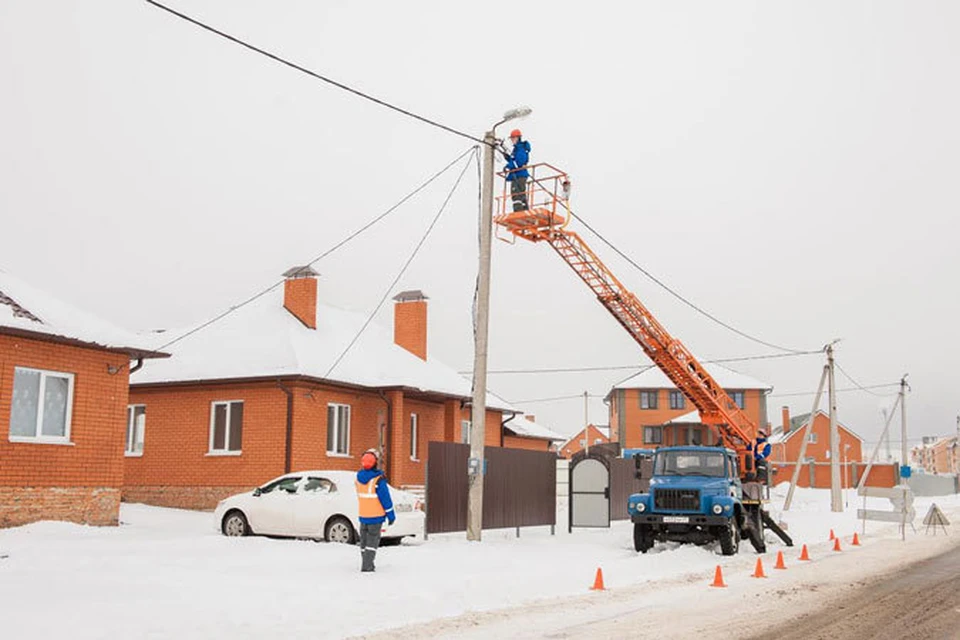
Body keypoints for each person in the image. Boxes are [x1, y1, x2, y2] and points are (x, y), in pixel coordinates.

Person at [355, 448, 395, 573]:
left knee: (364, 541)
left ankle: (366, 562)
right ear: (375, 463)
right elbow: (385, 498)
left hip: (363, 515)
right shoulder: (378, 479)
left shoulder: (358, 478)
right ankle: (367, 566)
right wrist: (391, 514)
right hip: (376, 516)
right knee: (372, 541)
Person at [502, 129, 531, 212]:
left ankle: (518, 211)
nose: (512, 140)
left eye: (513, 138)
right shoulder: (518, 149)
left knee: (516, 194)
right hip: (519, 174)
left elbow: (519, 162)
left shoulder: (520, 149)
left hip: (519, 174)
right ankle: (525, 210)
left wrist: (508, 166)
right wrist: (508, 158)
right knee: (521, 194)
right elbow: (514, 160)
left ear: (518, 138)